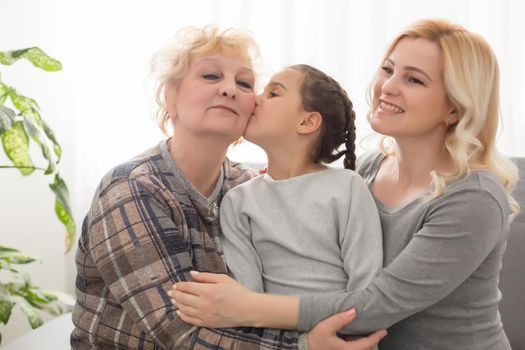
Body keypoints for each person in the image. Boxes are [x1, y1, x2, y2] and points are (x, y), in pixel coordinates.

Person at [170, 19, 520, 350]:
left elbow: (378, 304)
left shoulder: (474, 196)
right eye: (388, 69)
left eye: (414, 80)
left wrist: (246, 307)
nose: (388, 87)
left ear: (455, 109)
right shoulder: (367, 170)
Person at [70, 25, 385, 350]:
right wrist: (306, 345)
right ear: (170, 97)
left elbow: (251, 305)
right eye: (210, 76)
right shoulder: (131, 189)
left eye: (245, 83)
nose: (230, 90)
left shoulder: (247, 186)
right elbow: (180, 333)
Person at [172, 63, 382, 310]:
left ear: (307, 122)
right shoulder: (238, 200)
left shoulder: (347, 187)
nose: (254, 100)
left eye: (273, 94)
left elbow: (367, 286)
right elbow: (247, 299)